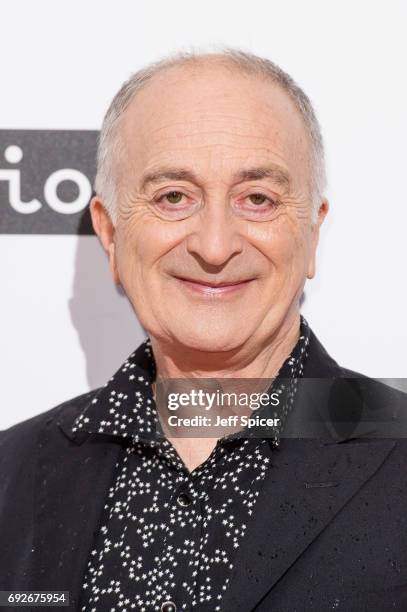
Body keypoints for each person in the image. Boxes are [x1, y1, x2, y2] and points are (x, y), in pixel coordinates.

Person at [1, 49, 406, 612]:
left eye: (257, 199)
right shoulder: (10, 473)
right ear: (110, 234)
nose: (214, 246)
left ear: (312, 233)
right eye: (173, 197)